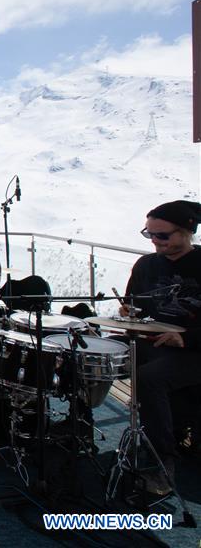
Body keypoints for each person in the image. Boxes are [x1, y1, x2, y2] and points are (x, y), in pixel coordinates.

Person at [119, 200, 201, 495]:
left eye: (162, 236)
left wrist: (186, 338)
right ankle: (75, 427)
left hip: (192, 351)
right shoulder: (146, 265)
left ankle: (162, 462)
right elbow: (134, 306)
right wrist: (129, 313)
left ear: (186, 232)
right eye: (149, 235)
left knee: (151, 379)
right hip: (151, 340)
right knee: (88, 351)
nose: (154, 241)